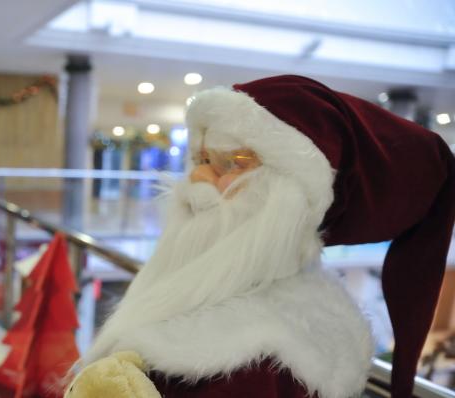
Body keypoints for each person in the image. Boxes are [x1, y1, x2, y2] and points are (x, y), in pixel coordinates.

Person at [67, 75, 455, 398]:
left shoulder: (265, 361)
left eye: (232, 164)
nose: (197, 179)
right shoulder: (214, 296)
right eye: (201, 160)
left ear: (294, 196)